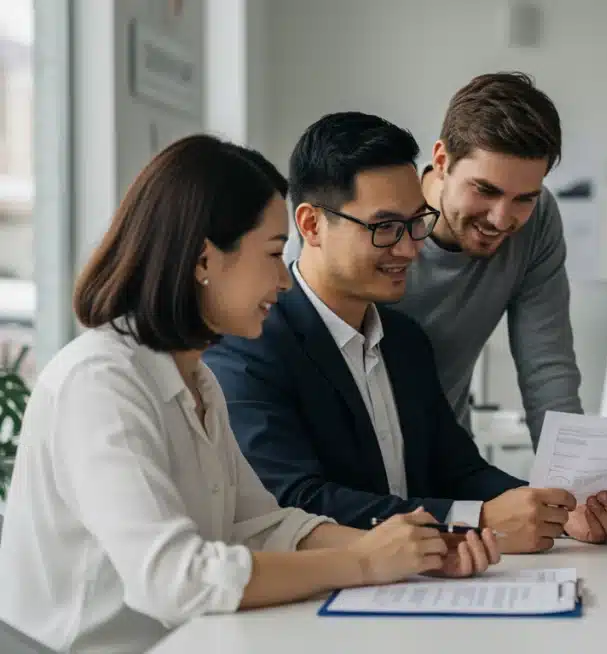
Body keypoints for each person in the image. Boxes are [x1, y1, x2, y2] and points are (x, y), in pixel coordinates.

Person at [0, 135, 499, 654]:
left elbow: (262, 525)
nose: (283, 281)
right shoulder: (100, 383)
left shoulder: (197, 380)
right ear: (203, 261)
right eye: (272, 254)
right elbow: (176, 579)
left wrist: (418, 551)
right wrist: (365, 562)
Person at [205, 112, 607, 554]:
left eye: (416, 223)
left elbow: (460, 472)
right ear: (312, 225)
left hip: (416, 586)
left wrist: (560, 513)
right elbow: (295, 502)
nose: (411, 248)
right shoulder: (250, 344)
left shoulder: (404, 339)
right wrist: (478, 520)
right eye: (385, 228)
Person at [390, 71, 582, 447]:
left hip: (447, 461)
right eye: (485, 190)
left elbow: (547, 370)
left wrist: (574, 482)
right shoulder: (379, 222)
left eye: (524, 197)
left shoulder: (539, 218)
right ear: (442, 160)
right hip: (351, 466)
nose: (501, 218)